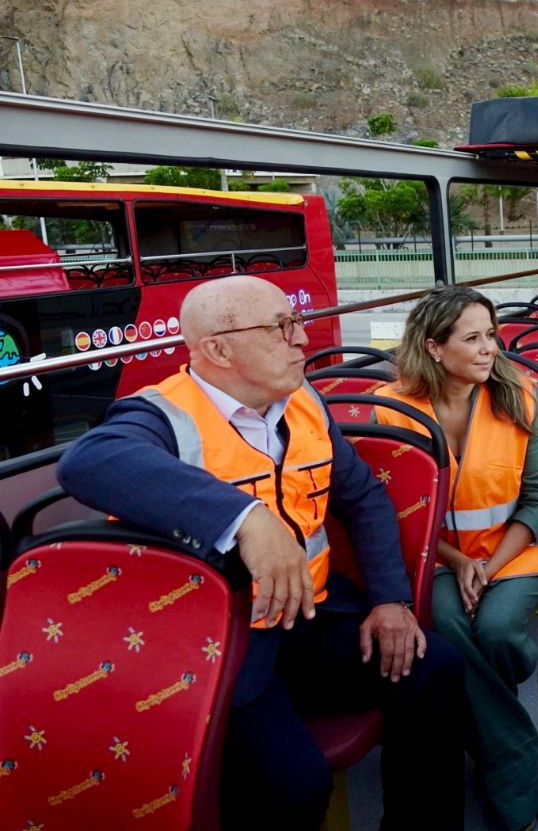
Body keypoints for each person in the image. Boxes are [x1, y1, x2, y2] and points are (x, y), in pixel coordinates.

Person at [57, 276, 465, 829]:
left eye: (297, 321)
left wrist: (390, 600)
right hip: (226, 647)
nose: (302, 338)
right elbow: (90, 462)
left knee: (436, 668)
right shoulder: (162, 415)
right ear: (219, 350)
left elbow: (364, 498)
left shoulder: (304, 401)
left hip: (317, 617)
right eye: (280, 327)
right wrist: (245, 518)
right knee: (294, 786)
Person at [374, 285, 538, 831]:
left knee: (498, 632)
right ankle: (513, 755)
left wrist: (488, 566)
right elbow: (401, 512)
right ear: (434, 348)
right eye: (473, 338)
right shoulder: (394, 412)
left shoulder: (521, 397)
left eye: (492, 335)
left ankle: (486, 716)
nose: (490, 349)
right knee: (450, 623)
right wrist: (458, 563)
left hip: (517, 552)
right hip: (437, 557)